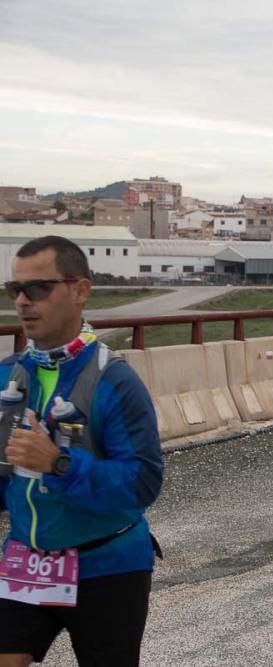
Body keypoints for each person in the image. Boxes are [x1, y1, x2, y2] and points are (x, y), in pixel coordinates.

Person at [0, 236, 163, 665]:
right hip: (27, 560)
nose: (22, 301)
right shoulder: (7, 377)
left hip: (107, 565)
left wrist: (58, 463)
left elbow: (142, 484)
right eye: (13, 290)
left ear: (80, 291)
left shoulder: (116, 382)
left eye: (38, 288)